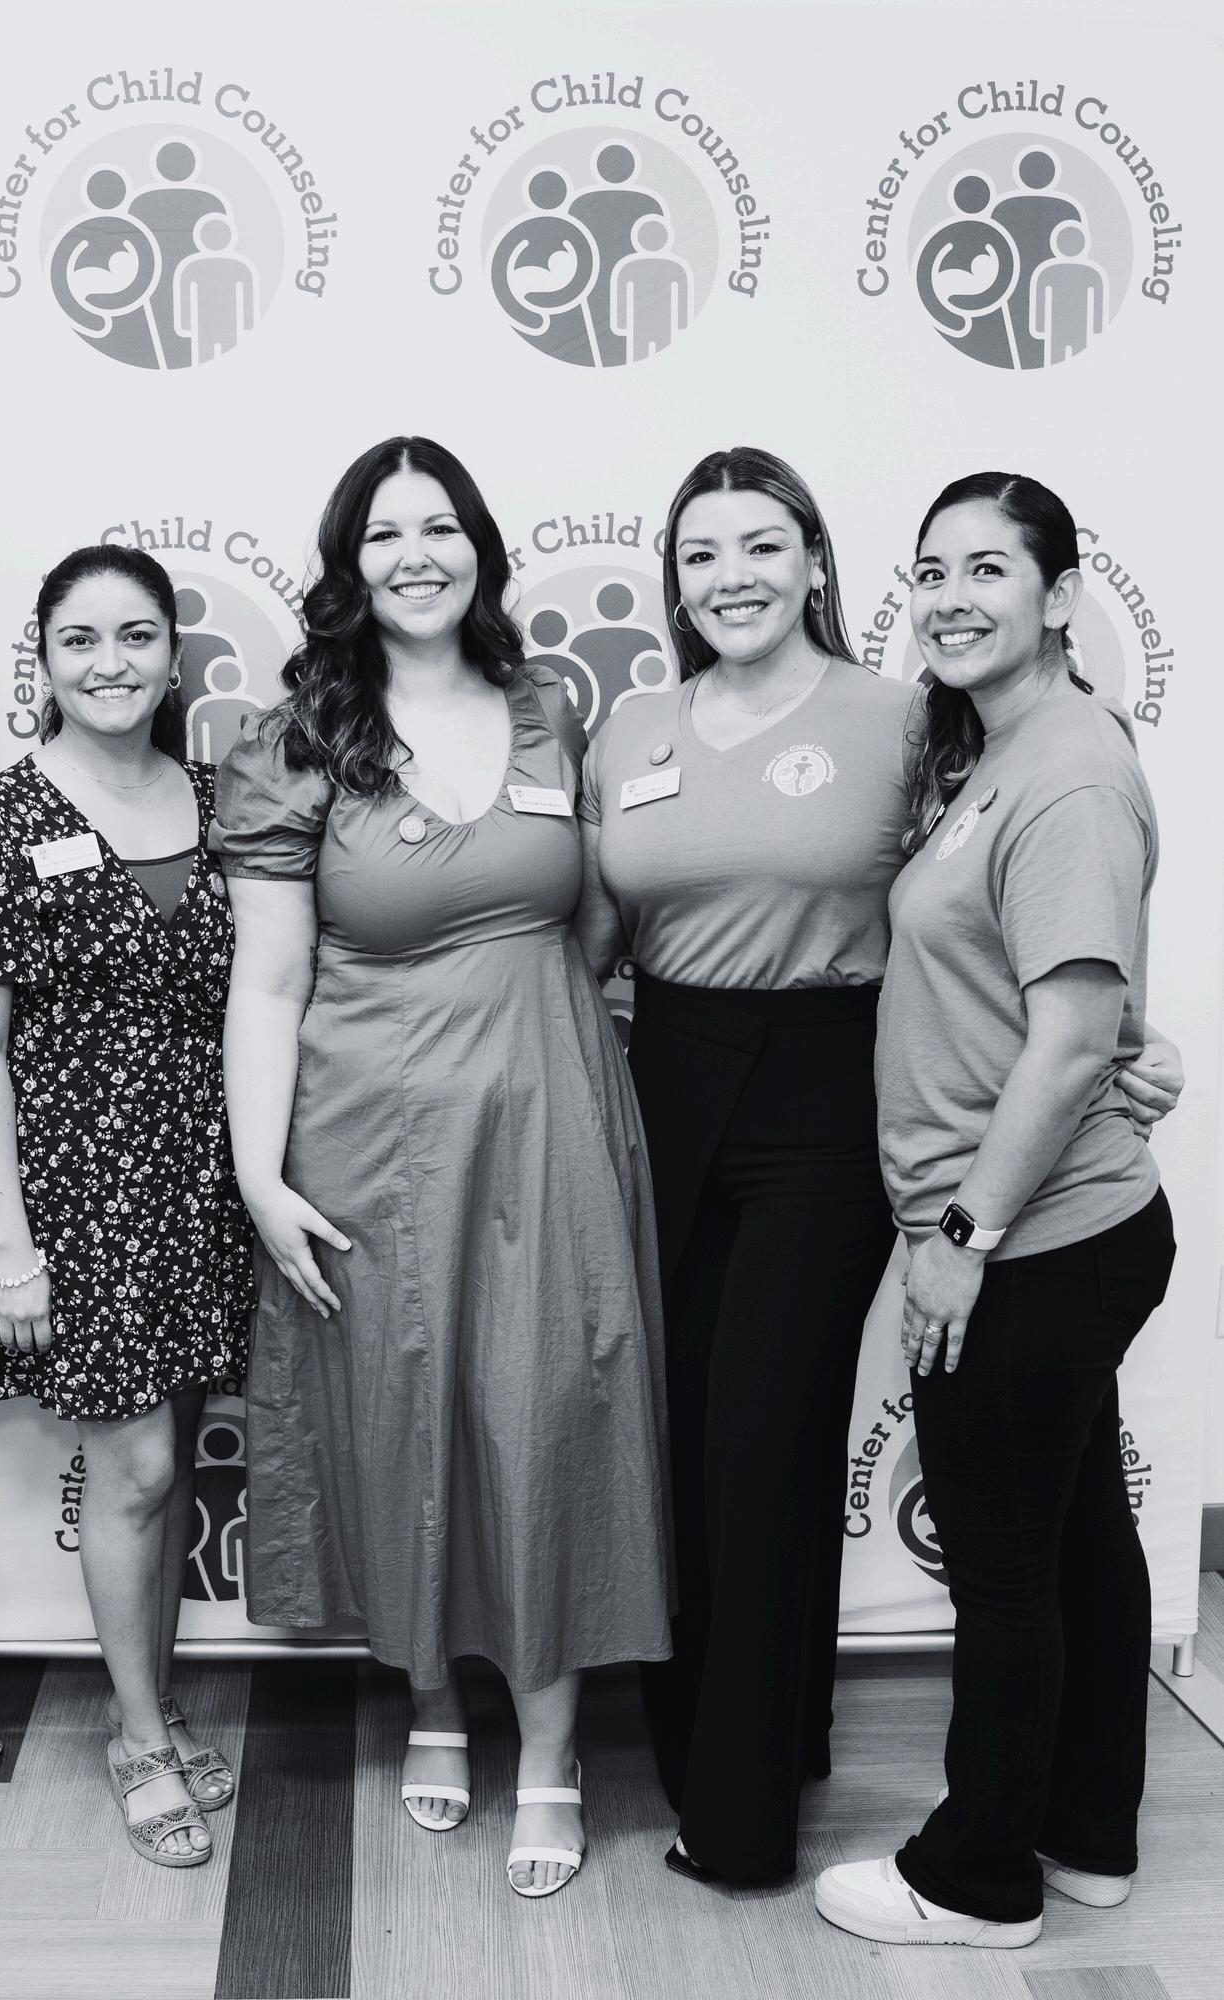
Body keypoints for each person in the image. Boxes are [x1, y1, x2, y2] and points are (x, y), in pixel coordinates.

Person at [574, 447, 1182, 1887]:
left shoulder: (913, 718)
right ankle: (751, 1749)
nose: (732, 576)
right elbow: (593, 945)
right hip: (667, 1085)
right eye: (701, 551)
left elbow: (1018, 909)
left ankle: (742, 1827)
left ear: (814, 565)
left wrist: (1117, 1039)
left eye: (761, 545)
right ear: (673, 580)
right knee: (687, 1441)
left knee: (763, 1445)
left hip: (829, 1095)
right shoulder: (630, 727)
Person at [213, 436, 669, 1900]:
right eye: (383, 533)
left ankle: (551, 1751)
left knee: (549, 1416)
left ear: (479, 547)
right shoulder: (295, 743)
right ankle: (428, 1701)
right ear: (347, 567)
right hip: (372, 1137)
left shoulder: (551, 709)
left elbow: (593, 920)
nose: (415, 555)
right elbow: (267, 980)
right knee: (401, 1413)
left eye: (440, 527)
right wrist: (258, 1175)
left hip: (550, 1122)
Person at [815, 473, 1178, 1950]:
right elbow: (1060, 1000)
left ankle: (975, 1879)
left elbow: (1076, 1035)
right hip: (1052, 1225)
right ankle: (1088, 1833)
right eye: (930, 571)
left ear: (1060, 594)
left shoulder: (1066, 769)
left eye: (988, 568)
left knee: (1008, 1564)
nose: (951, 597)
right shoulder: (1002, 751)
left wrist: (961, 1237)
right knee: (1078, 1537)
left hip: (1031, 1235)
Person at [0, 545, 252, 1871]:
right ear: (43, 663)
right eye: (80, 640)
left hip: (208, 1184)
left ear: (173, 655)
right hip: (80, 1196)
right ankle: (139, 1737)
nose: (111, 664)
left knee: (172, 1465)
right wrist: (10, 1245)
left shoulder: (223, 801)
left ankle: (151, 1704)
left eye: (136, 635)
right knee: (139, 1470)